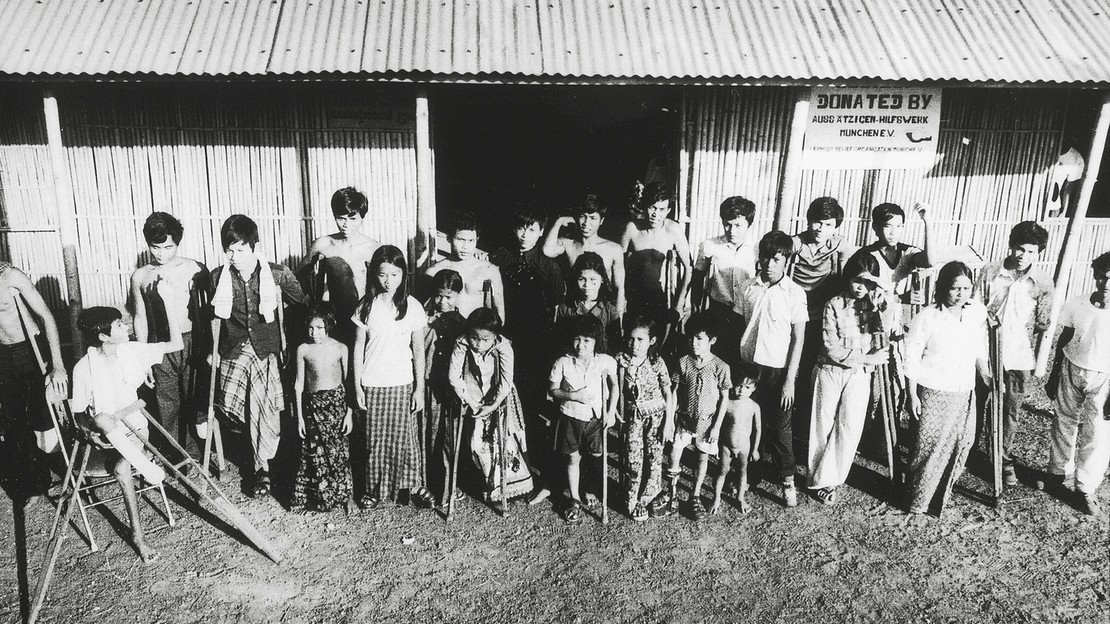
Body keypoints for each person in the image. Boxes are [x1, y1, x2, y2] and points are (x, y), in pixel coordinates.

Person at [70, 301, 184, 562]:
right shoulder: (83, 369)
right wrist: (92, 431)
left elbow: (176, 344)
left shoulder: (132, 352)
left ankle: (138, 536)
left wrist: (167, 300)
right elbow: (79, 415)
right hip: (103, 437)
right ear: (103, 336)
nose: (126, 326)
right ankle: (147, 467)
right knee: (100, 417)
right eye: (119, 324)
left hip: (135, 430)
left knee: (122, 468)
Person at [209, 214, 307, 499]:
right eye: (229, 250)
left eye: (240, 249)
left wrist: (290, 343)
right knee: (248, 391)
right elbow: (210, 322)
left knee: (261, 388)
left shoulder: (276, 274)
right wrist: (210, 352)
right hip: (233, 352)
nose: (234, 256)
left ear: (255, 246)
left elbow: (301, 303)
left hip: (266, 350)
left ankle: (261, 466)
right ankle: (262, 453)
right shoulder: (219, 278)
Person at [903, 261, 991, 517]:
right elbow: (911, 358)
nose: (961, 294)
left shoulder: (976, 313)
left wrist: (985, 374)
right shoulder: (927, 317)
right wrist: (912, 395)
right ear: (943, 288)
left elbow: (979, 348)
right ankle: (917, 501)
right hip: (933, 389)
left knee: (962, 443)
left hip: (964, 389)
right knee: (928, 447)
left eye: (966, 288)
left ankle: (941, 497)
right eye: (955, 288)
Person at [806, 255, 891, 505]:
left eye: (867, 282)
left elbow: (885, 334)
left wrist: (881, 305)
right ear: (848, 278)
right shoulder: (833, 304)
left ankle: (831, 477)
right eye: (857, 280)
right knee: (822, 424)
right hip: (830, 371)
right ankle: (816, 480)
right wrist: (867, 358)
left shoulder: (875, 305)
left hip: (859, 375)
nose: (861, 287)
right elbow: (831, 347)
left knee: (850, 426)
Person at [352, 245, 432, 509]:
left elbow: (418, 350)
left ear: (403, 275)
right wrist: (357, 386)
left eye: (395, 274)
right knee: (375, 440)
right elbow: (358, 348)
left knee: (404, 438)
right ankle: (374, 490)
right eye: (383, 274)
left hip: (402, 383)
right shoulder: (366, 306)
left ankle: (411, 487)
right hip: (373, 382)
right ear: (375, 274)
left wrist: (419, 389)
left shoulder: (413, 307)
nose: (389, 280)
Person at [975, 221, 1054, 487]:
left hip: (1018, 357)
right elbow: (974, 309)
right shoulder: (990, 272)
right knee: (976, 403)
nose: (1023, 256)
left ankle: (1001, 458)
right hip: (985, 352)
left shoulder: (1042, 282)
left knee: (1010, 411)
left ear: (1038, 253)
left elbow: (1043, 323)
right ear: (1011, 246)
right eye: (1020, 249)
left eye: (1031, 252)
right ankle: (968, 449)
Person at [130, 211, 210, 462]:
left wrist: (208, 347)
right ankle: (180, 454)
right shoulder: (141, 276)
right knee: (167, 402)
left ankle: (199, 450)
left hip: (191, 341)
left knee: (193, 398)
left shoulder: (194, 268)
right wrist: (143, 358)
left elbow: (208, 311)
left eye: (168, 247)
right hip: (160, 344)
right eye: (156, 247)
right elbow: (140, 317)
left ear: (177, 243)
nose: (162, 253)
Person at [736, 231, 808, 508]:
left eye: (776, 259)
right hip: (750, 368)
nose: (769, 264)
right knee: (750, 424)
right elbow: (742, 325)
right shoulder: (748, 287)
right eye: (766, 257)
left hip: (779, 371)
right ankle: (749, 475)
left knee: (780, 429)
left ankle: (787, 481)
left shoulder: (794, 293)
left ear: (786, 261)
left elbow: (798, 339)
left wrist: (790, 380)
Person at [1043, 251, 1110, 516]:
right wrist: (1053, 374)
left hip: (1104, 378)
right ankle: (1057, 473)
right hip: (1072, 367)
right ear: (1094, 276)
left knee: (1097, 431)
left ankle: (1086, 488)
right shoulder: (1078, 303)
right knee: (1064, 420)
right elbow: (1065, 338)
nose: (1105, 283)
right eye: (1101, 276)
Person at [448, 308, 533, 504]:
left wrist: (494, 404)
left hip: (499, 399)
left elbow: (506, 380)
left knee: (508, 440)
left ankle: (516, 486)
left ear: (495, 337)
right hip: (472, 399)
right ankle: (489, 487)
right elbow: (454, 376)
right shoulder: (461, 343)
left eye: (486, 340)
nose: (479, 344)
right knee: (478, 444)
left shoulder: (503, 347)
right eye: (475, 338)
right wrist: (470, 402)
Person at [653, 313, 731, 521]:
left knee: (701, 457)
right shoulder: (683, 362)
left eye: (699, 339)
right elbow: (675, 391)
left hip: (706, 423)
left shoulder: (721, 367)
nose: (694, 343)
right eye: (691, 338)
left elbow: (724, 398)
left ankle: (695, 495)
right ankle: (672, 491)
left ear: (712, 340)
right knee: (674, 454)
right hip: (684, 421)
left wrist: (716, 427)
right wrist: (670, 420)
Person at [0, 261, 68, 501]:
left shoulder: (11, 276)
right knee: (15, 422)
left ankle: (68, 472)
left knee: (45, 417)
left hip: (31, 349)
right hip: (3, 355)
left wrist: (58, 365)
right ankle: (35, 485)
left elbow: (46, 317)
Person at [789, 197, 856, 417]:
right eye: (817, 222)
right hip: (796, 311)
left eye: (828, 224)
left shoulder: (840, 244)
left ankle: (804, 411)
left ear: (835, 226)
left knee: (810, 363)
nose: (821, 228)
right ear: (809, 221)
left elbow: (845, 277)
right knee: (790, 362)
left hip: (821, 313)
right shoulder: (795, 244)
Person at [548, 315, 618, 524]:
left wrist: (611, 411)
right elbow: (553, 390)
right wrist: (572, 395)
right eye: (577, 339)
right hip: (571, 417)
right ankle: (575, 499)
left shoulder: (605, 361)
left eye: (587, 341)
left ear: (597, 341)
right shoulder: (562, 362)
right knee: (572, 457)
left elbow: (615, 386)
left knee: (596, 455)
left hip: (596, 418)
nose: (581, 345)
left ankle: (590, 489)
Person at [292, 303, 353, 513]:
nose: (314, 333)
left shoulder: (340, 348)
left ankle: (345, 497)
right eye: (310, 328)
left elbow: (348, 383)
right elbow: (299, 384)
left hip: (336, 407)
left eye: (319, 328)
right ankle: (316, 498)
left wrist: (349, 414)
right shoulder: (304, 349)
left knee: (339, 454)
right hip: (312, 409)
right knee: (313, 453)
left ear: (329, 325)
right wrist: (299, 418)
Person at [300, 187, 381, 342]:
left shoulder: (373, 248)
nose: (346, 225)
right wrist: (313, 303)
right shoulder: (324, 244)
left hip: (364, 318)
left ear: (362, 217)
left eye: (352, 219)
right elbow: (298, 276)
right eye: (341, 218)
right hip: (333, 318)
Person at [845, 202, 934, 335]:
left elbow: (930, 261)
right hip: (873, 321)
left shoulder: (908, 252)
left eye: (899, 226)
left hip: (902, 320)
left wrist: (927, 221)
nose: (893, 232)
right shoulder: (865, 256)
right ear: (876, 227)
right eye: (888, 226)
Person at [691, 196, 757, 375]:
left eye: (738, 226)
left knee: (741, 359)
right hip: (718, 311)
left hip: (746, 311)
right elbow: (697, 278)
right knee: (717, 358)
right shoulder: (711, 246)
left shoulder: (756, 249)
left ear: (748, 225)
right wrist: (695, 309)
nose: (732, 231)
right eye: (727, 224)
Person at [615, 314, 672, 522]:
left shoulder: (657, 361)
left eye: (640, 340)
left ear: (652, 341)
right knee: (633, 458)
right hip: (634, 418)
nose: (635, 344)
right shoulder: (622, 359)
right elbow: (618, 389)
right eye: (632, 339)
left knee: (654, 458)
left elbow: (668, 391)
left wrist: (669, 422)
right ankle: (631, 499)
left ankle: (647, 498)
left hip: (656, 417)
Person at [620, 182, 693, 330]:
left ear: (668, 210)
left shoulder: (672, 230)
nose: (655, 214)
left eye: (661, 209)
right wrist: (621, 298)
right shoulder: (632, 228)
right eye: (652, 207)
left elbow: (689, 267)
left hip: (660, 299)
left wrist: (679, 304)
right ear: (645, 206)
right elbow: (618, 266)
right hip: (634, 298)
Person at [423, 269, 467, 505]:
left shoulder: (463, 325)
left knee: (448, 438)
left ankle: (448, 489)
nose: (443, 301)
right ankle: (427, 485)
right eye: (439, 296)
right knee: (428, 434)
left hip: (449, 389)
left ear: (458, 296)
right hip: (428, 383)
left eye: (449, 296)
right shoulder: (423, 318)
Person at [542, 194, 627, 315]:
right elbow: (547, 250)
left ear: (601, 220)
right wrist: (559, 221)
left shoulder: (613, 249)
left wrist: (618, 320)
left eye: (593, 218)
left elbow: (619, 288)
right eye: (583, 216)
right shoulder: (569, 244)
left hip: (601, 311)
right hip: (574, 310)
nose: (586, 223)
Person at [425, 214, 506, 322]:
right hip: (445, 331)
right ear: (449, 238)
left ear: (477, 239)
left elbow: (500, 313)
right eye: (460, 239)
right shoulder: (433, 271)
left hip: (475, 333)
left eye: (471, 241)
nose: (465, 246)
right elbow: (419, 310)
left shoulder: (489, 270)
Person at [711, 365, 761, 514]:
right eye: (739, 386)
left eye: (746, 387)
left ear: (753, 388)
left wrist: (755, 448)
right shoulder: (727, 403)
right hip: (726, 446)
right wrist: (716, 445)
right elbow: (718, 425)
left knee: (742, 471)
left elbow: (758, 430)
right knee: (722, 471)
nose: (741, 390)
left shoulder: (754, 406)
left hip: (744, 447)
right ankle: (716, 498)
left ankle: (740, 498)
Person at [554, 252, 621, 354]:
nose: (587, 285)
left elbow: (615, 347)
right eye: (582, 279)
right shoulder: (566, 309)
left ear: (602, 279)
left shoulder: (610, 312)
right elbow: (559, 344)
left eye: (593, 279)